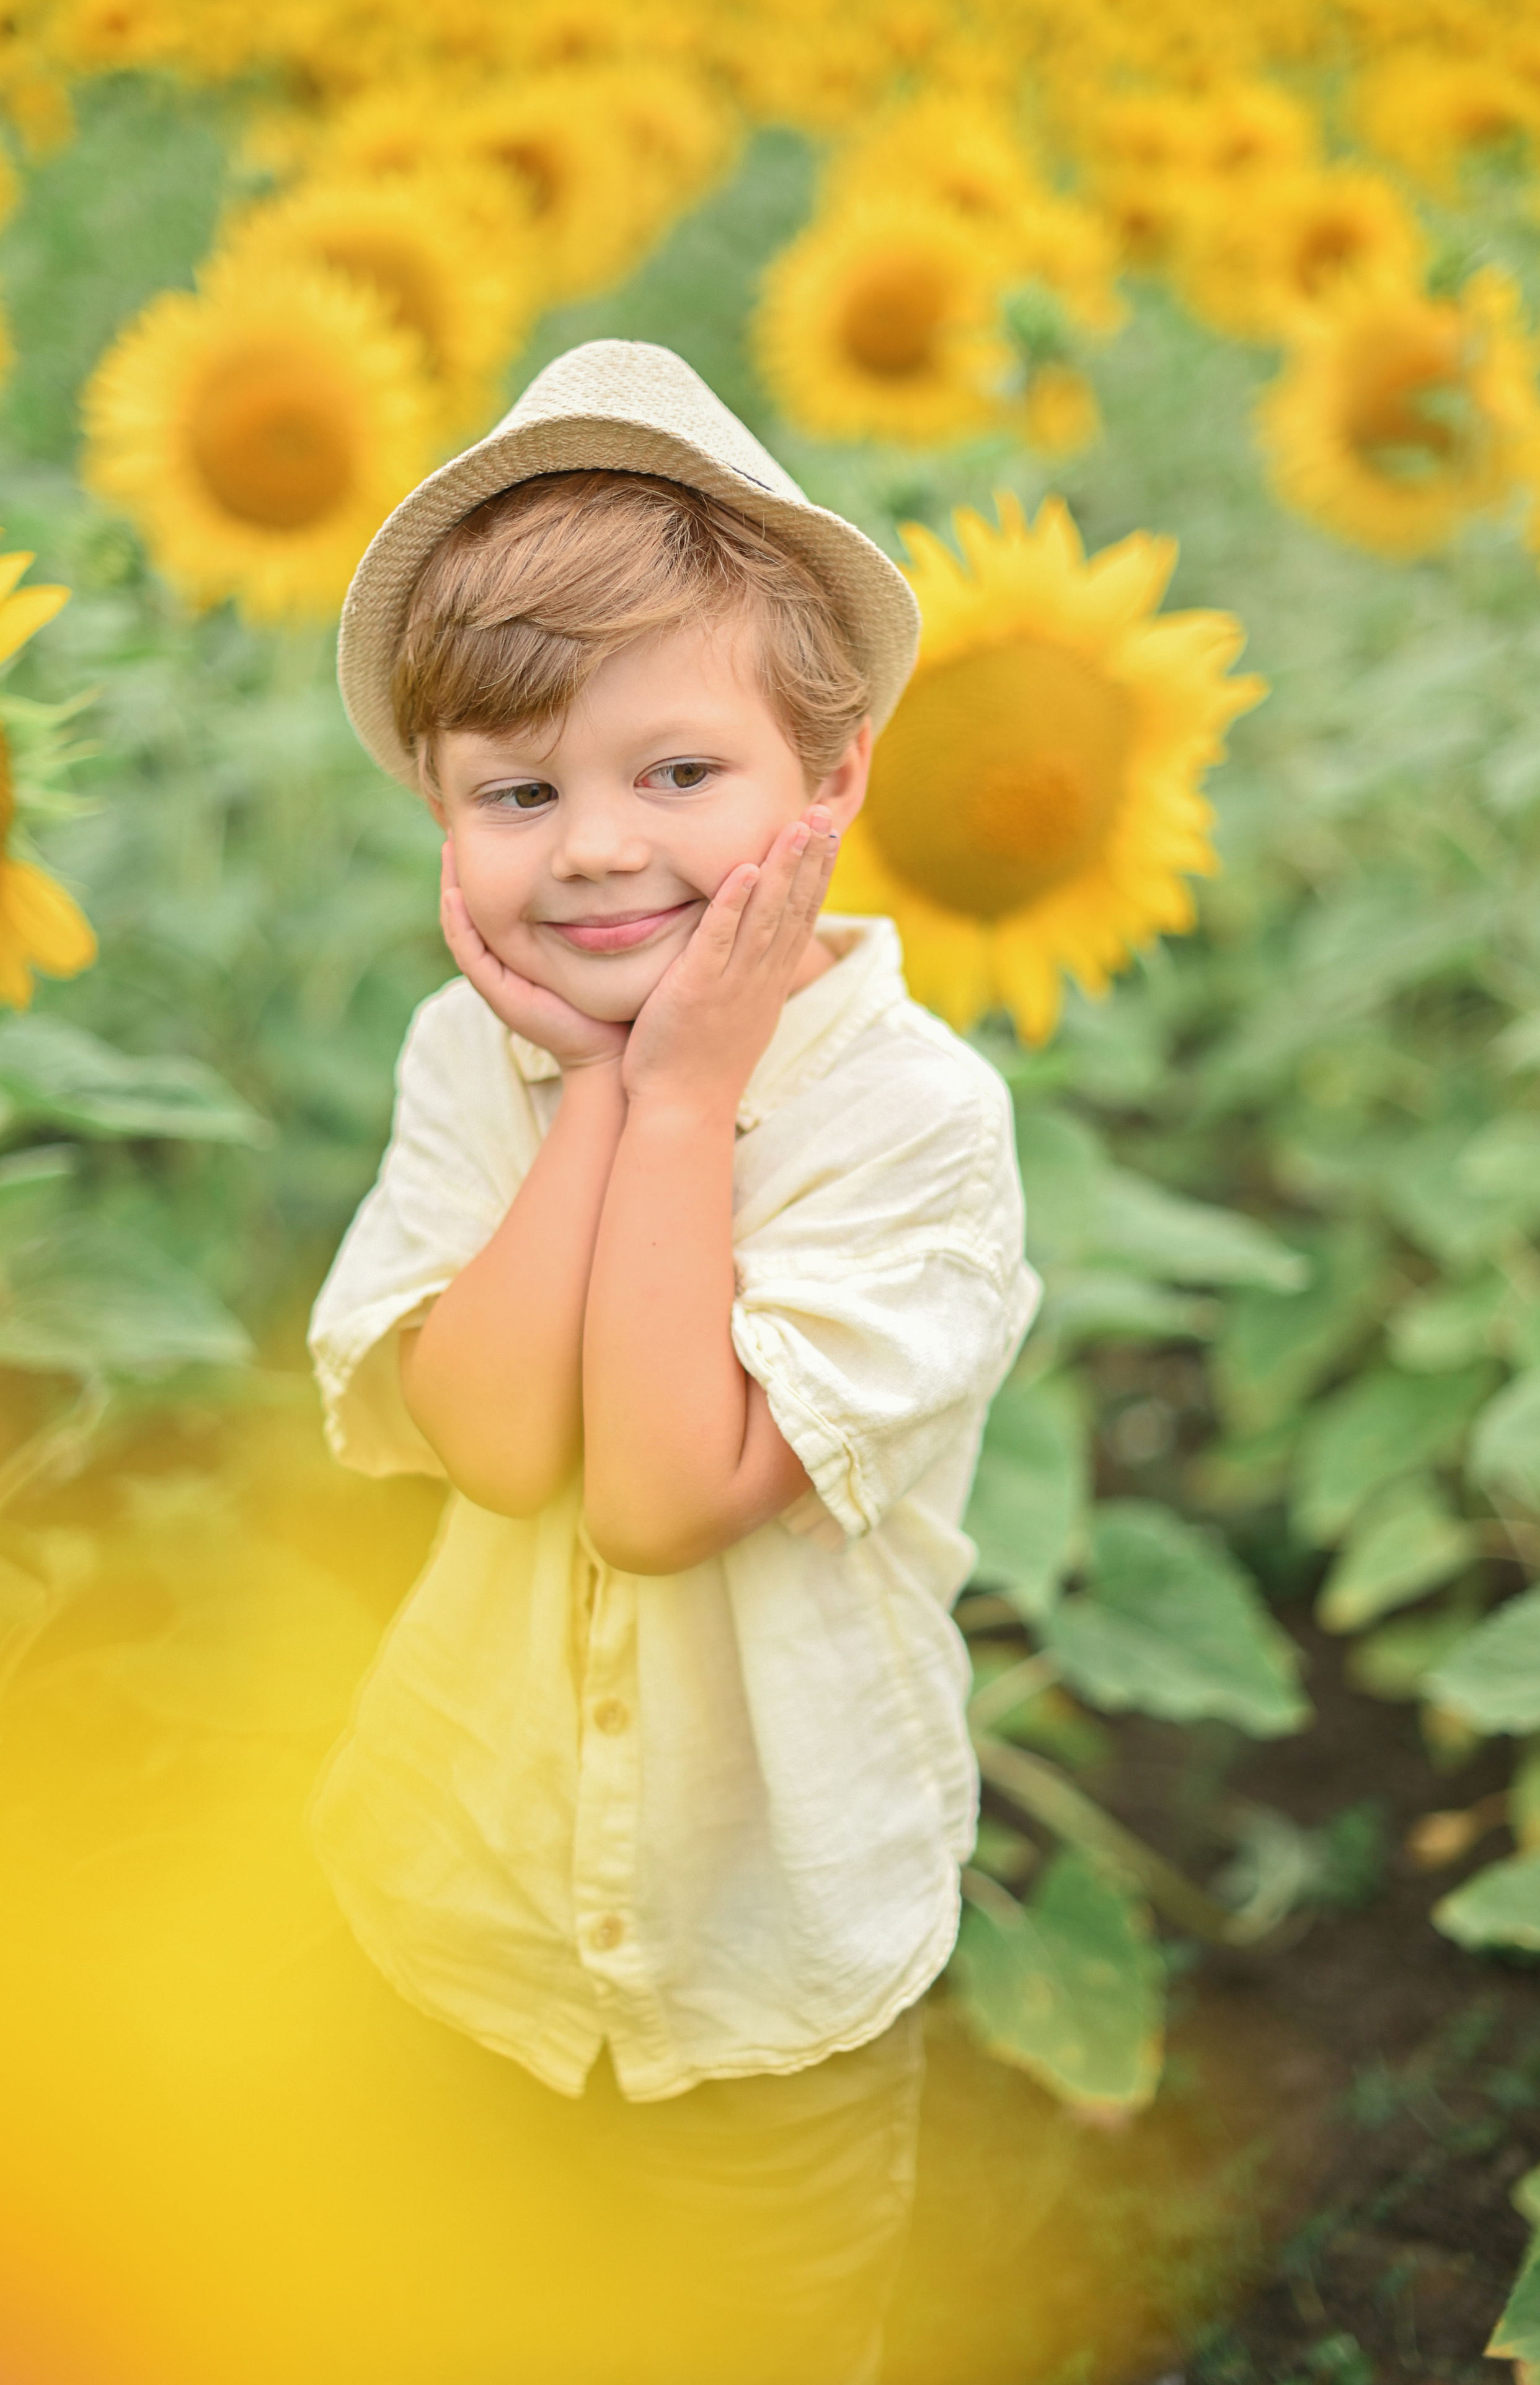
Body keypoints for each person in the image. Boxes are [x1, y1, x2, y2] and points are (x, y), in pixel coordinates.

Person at [309, 339, 1041, 2382]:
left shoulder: (909, 1118)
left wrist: (677, 1102)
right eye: (520, 796)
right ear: (446, 818)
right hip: (476, 1900)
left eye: (679, 775)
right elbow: (495, 1443)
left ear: (834, 777)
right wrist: (594, 1083)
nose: (604, 851)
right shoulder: (473, 1054)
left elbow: (655, 1491)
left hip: (775, 1931)